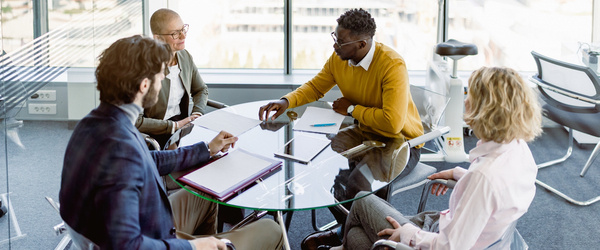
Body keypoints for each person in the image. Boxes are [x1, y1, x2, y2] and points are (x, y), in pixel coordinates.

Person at [59, 35, 283, 250]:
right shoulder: (119, 150)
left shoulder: (97, 122)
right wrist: (192, 247)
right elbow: (125, 246)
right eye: (160, 75)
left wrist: (206, 149)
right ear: (144, 86)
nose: (163, 79)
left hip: (150, 223)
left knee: (206, 193)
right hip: (149, 239)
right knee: (272, 229)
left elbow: (148, 159)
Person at [323, 66, 542, 250]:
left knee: (362, 200)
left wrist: (409, 234)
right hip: (451, 227)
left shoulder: (483, 178)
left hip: (441, 239)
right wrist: (461, 176)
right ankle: (346, 244)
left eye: (470, 96)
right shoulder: (518, 150)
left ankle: (341, 245)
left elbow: (451, 247)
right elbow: (499, 192)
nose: (465, 101)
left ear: (486, 110)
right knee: (356, 238)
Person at [258, 8, 423, 183]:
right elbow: (315, 87)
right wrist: (286, 101)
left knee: (357, 184)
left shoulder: (391, 65)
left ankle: (370, 209)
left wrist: (351, 109)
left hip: (402, 143)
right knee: (322, 165)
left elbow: (392, 123)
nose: (335, 46)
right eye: (335, 38)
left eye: (341, 42)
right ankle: (350, 207)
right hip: (366, 131)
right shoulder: (338, 59)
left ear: (362, 44)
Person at [135, 8, 209, 148]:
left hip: (182, 130)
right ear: (158, 38)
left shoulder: (185, 56)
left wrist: (197, 113)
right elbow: (136, 121)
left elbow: (201, 90)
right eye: (175, 33)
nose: (183, 36)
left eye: (183, 29)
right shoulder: (144, 67)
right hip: (153, 135)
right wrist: (174, 126)